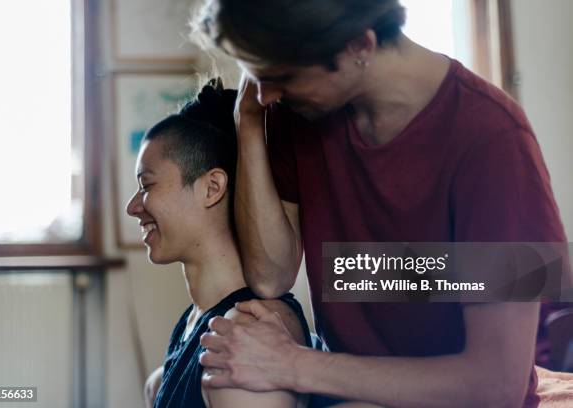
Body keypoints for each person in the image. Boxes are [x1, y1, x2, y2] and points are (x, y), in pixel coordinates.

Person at [191, 1, 568, 407]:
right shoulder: (298, 110)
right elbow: (270, 276)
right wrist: (247, 120)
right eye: (257, 75)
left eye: (279, 76)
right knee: (233, 369)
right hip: (351, 384)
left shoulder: (493, 137)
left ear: (360, 46)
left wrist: (293, 364)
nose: (267, 94)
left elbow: (498, 387)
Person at [127, 79, 313, 408]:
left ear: (212, 187)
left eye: (146, 185)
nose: (133, 206)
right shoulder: (196, 323)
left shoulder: (246, 339)